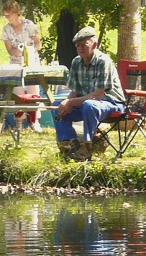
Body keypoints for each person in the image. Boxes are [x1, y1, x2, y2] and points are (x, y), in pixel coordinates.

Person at [53, 27, 125, 160]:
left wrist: (71, 102)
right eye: (78, 46)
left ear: (94, 45)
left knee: (89, 105)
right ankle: (69, 146)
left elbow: (98, 95)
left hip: (111, 103)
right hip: (87, 104)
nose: (80, 48)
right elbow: (74, 92)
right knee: (58, 105)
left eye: (84, 45)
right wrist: (65, 103)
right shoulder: (76, 62)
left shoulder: (103, 61)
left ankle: (87, 145)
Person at [0, 0, 42, 130]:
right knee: (17, 93)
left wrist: (29, 50)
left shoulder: (29, 25)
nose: (7, 18)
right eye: (5, 15)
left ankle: (34, 121)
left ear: (16, 13)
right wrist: (18, 51)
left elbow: (38, 43)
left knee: (33, 91)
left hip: (31, 62)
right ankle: (19, 122)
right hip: (16, 64)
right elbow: (9, 50)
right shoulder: (6, 29)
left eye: (8, 15)